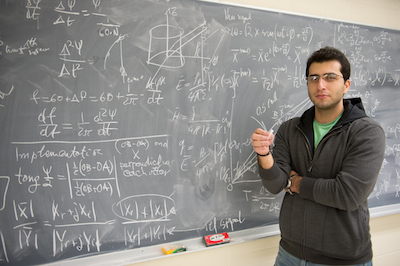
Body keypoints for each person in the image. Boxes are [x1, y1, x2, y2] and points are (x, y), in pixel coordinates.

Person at [251, 46, 385, 265]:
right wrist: (263, 153)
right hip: (289, 254)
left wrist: (295, 182)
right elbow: (276, 184)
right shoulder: (290, 129)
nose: (320, 85)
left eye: (330, 77)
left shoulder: (366, 132)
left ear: (346, 85)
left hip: (342, 259)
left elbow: (347, 195)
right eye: (314, 78)